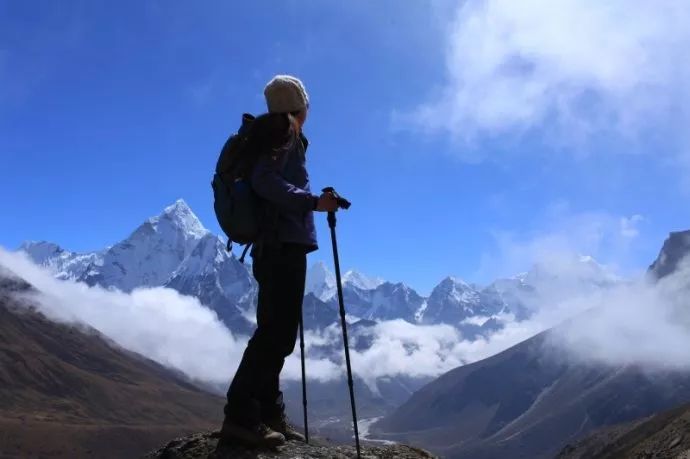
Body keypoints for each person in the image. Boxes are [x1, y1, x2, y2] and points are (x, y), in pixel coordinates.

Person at [217, 75, 338, 449]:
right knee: (277, 334)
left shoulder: (275, 133)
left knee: (276, 330)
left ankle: (268, 411)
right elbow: (264, 181)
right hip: (281, 244)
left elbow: (270, 180)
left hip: (276, 244)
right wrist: (312, 202)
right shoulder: (282, 133)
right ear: (299, 104)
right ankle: (241, 415)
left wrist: (313, 197)